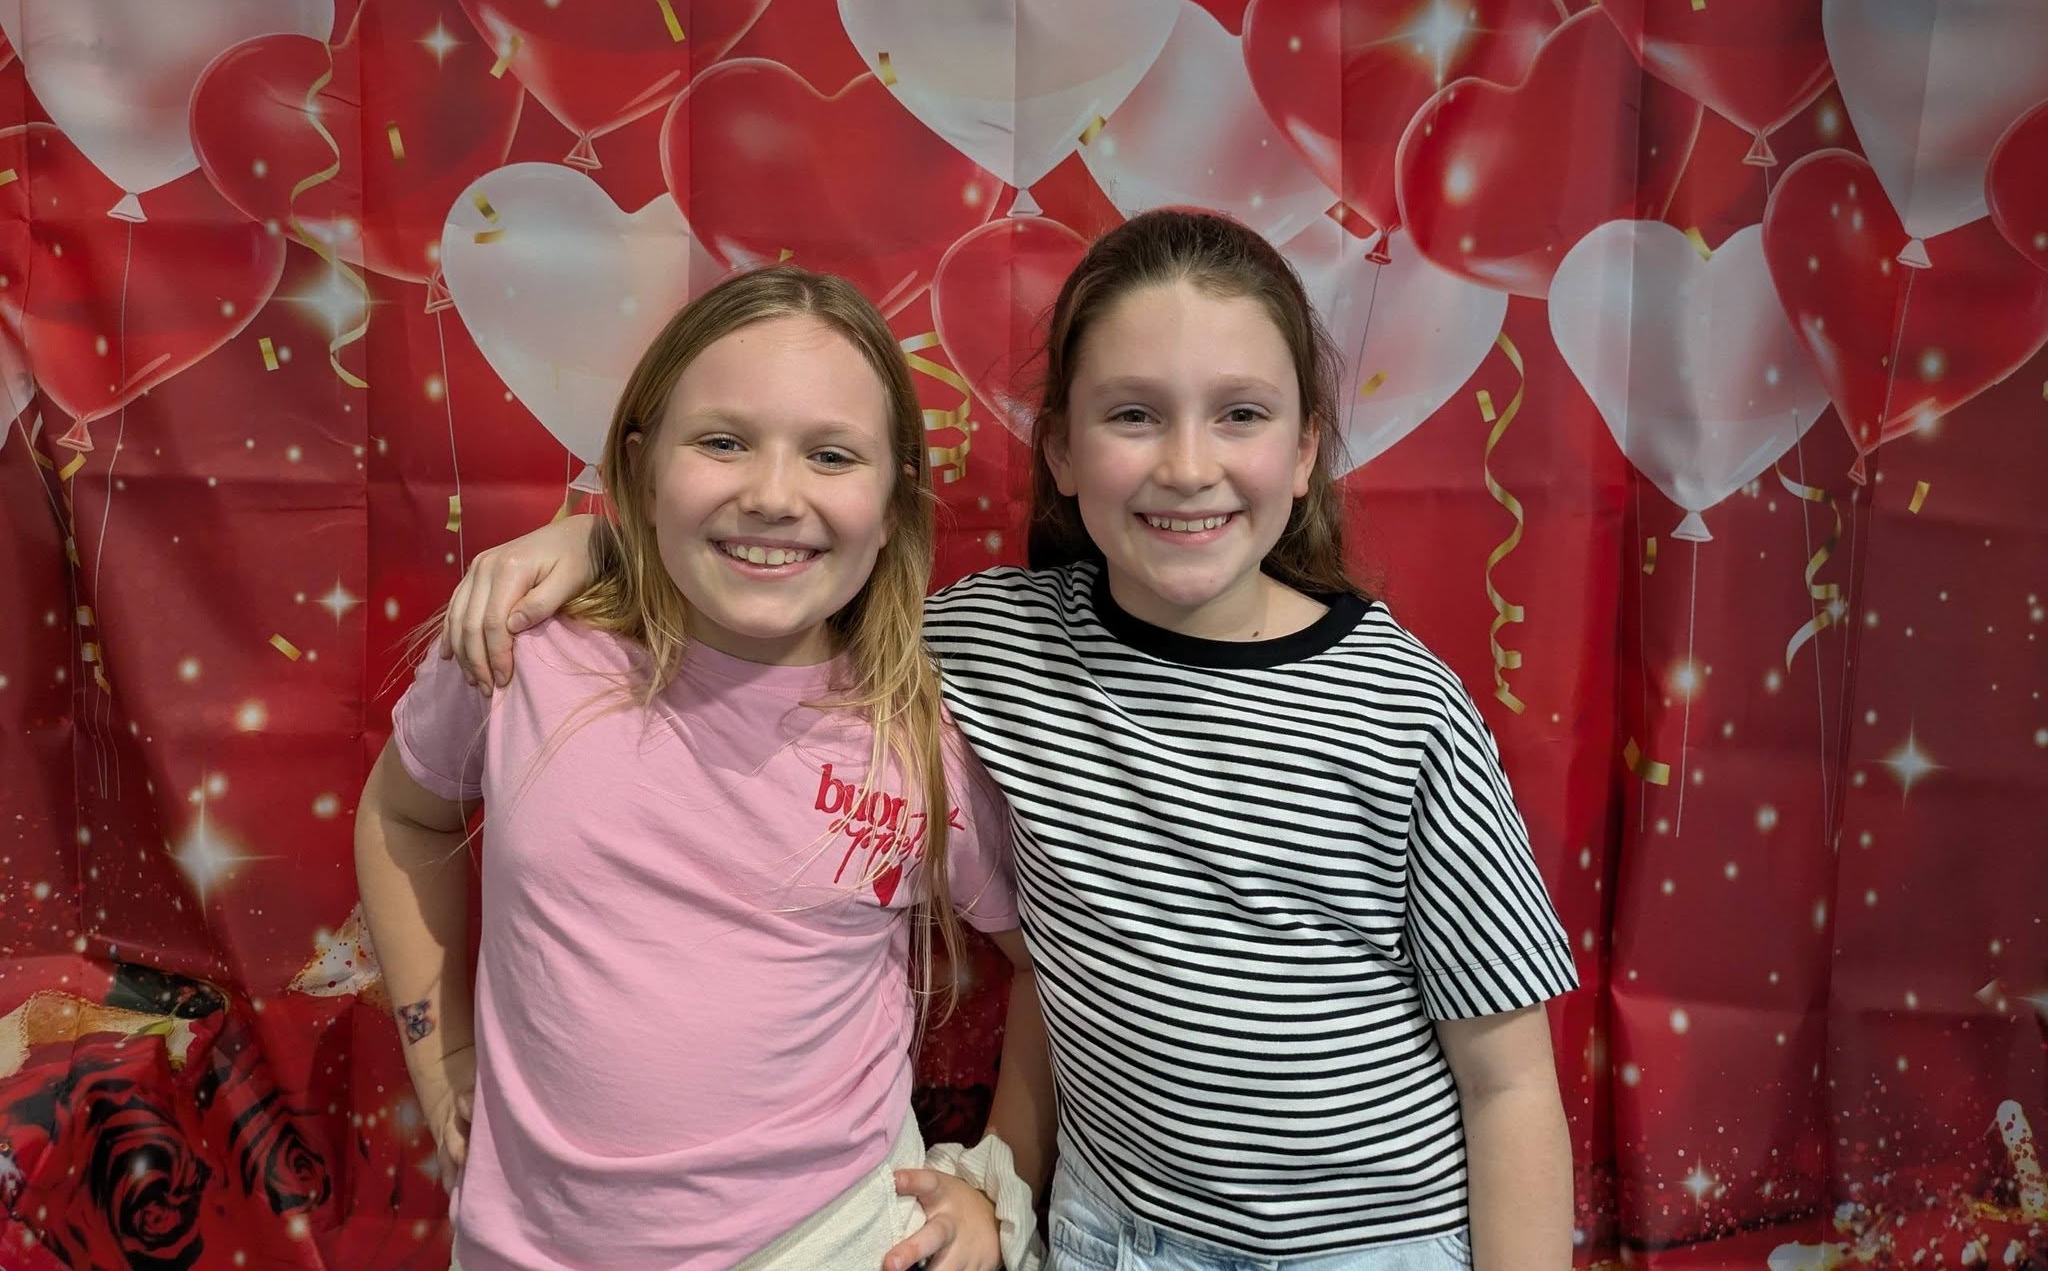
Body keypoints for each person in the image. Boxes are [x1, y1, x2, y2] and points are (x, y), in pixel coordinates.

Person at [440, 209, 1580, 1270]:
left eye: (1240, 414)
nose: (1188, 466)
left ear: (1304, 449)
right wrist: (600, 546)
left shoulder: (1405, 710)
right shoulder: (990, 643)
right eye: (1133, 415)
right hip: (1102, 1235)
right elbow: (782, 584)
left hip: (1366, 1244)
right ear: (1061, 452)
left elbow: (1511, 1084)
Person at [356, 266, 1053, 1271]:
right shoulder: (523, 655)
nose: (771, 495)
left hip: (834, 1242)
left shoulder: (918, 740)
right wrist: (444, 1057)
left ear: (894, 502)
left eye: (830, 454)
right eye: (722, 442)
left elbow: (1048, 962)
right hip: (522, 1247)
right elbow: (403, 815)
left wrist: (998, 1182)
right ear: (641, 468)